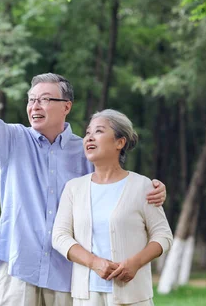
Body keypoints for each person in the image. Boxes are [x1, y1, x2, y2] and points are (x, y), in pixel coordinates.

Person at [0, 54, 166, 306]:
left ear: (66, 106)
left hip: (69, 272)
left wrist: (153, 189)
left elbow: (116, 185)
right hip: (19, 268)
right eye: (31, 100)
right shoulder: (12, 141)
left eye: (45, 99)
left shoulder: (85, 151)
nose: (35, 106)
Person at [52, 110, 173, 306]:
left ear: (120, 142)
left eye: (99, 131)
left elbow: (163, 236)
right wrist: (94, 263)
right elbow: (59, 236)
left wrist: (135, 263)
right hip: (87, 295)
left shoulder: (143, 186)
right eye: (88, 132)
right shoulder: (74, 188)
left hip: (133, 295)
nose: (89, 137)